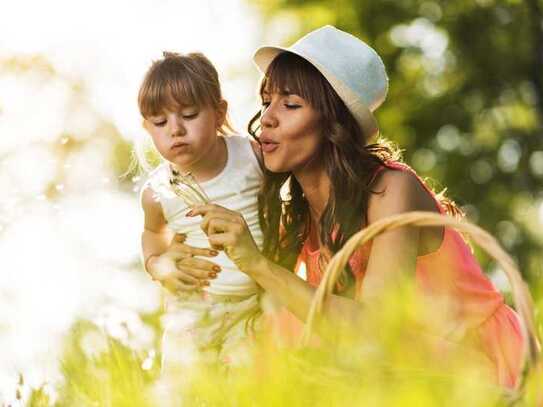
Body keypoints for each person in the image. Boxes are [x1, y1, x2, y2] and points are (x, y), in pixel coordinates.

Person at [184, 26, 525, 389]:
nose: (267, 117)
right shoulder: (297, 214)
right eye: (267, 101)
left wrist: (256, 263)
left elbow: (375, 334)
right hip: (408, 372)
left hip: (484, 367)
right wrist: (173, 262)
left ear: (334, 124)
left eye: (291, 104)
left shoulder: (392, 189)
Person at [138, 51, 264, 372]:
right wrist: (158, 265)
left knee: (249, 386)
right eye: (160, 122)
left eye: (189, 114)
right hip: (193, 308)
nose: (175, 129)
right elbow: (153, 235)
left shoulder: (251, 156)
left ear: (219, 113)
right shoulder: (158, 191)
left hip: (257, 304)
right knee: (187, 388)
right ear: (147, 128)